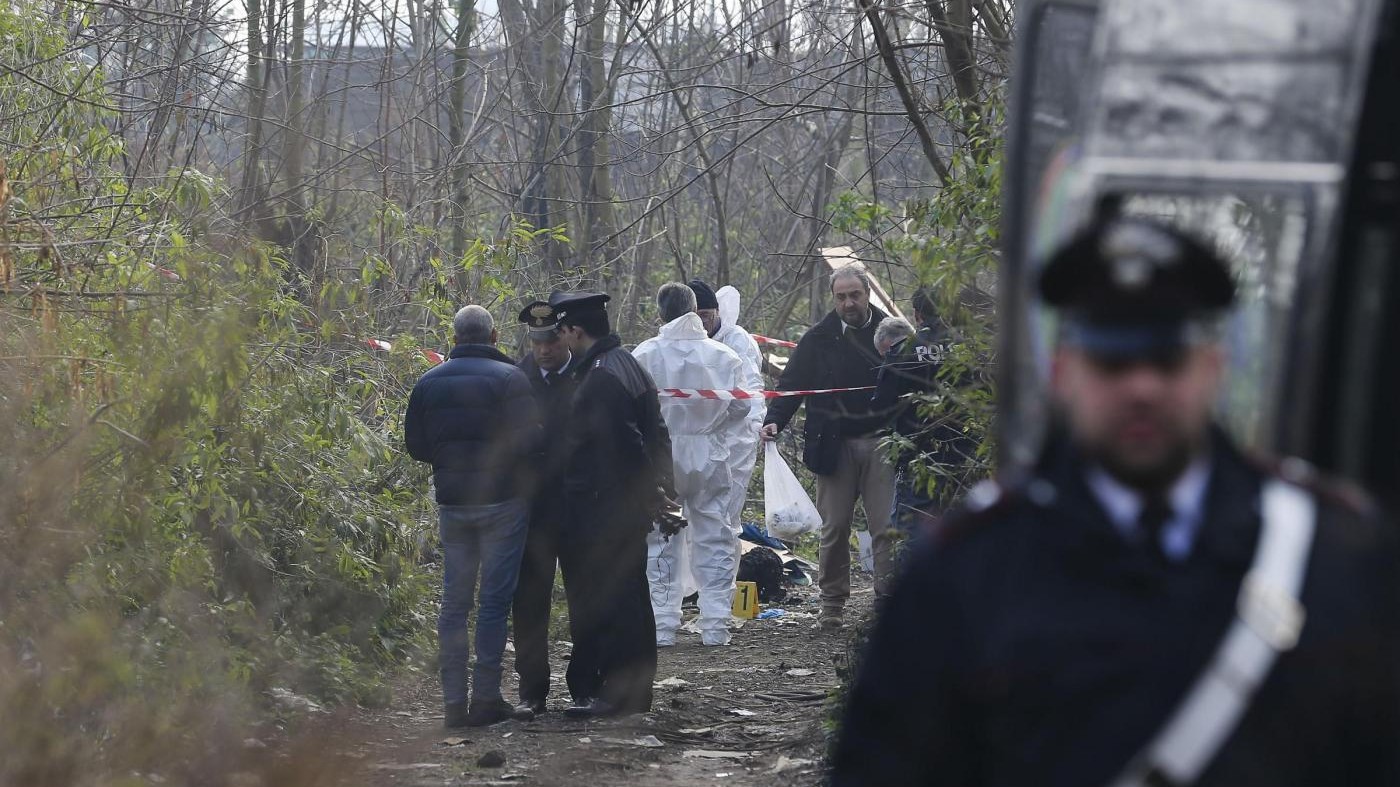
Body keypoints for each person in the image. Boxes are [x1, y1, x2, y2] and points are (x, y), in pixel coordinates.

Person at [832, 218, 1400, 786]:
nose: (1142, 388)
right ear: (1063, 375)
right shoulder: (967, 568)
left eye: (1167, 360)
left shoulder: (1328, 552)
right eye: (1113, 362)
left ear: (1213, 369)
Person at [404, 305, 541, 728]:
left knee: (454, 603)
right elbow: (530, 441)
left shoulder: (428, 382)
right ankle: (485, 697)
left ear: (455, 336)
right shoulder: (511, 379)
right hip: (503, 504)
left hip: (453, 504)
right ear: (494, 336)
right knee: (494, 602)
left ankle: (451, 704)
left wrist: (450, 462)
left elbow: (416, 445)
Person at [551, 290, 675, 719]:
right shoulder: (625, 365)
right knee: (630, 598)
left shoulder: (603, 377)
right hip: (617, 505)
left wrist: (651, 494)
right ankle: (629, 692)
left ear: (573, 330)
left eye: (561, 331)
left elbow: (627, 445)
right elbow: (658, 433)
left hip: (607, 507)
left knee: (619, 601)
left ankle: (621, 695)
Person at [760, 262, 893, 630]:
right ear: (833, 299)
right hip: (833, 444)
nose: (849, 303)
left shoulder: (891, 333)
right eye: (841, 297)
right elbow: (792, 383)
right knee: (834, 527)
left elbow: (913, 381)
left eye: (855, 295)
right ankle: (832, 606)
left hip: (883, 441)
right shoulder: (818, 337)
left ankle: (888, 602)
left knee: (885, 527)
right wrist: (774, 418)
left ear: (868, 294)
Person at [634, 283, 748, 646]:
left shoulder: (645, 355)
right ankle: (715, 623)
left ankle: (663, 623)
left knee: (660, 536)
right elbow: (742, 408)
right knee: (714, 534)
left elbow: (631, 408)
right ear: (695, 309)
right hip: (709, 450)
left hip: (661, 454)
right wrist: (712, 426)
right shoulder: (724, 355)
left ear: (661, 313)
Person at [510, 299, 576, 716]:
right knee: (530, 600)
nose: (544, 349)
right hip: (531, 506)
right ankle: (532, 689)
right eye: (536, 341)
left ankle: (585, 684)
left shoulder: (587, 375)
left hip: (575, 504)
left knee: (583, 596)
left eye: (550, 339)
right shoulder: (516, 378)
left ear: (565, 336)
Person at [869, 288, 968, 546]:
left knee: (911, 529)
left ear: (916, 314)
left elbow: (881, 405)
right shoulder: (970, 348)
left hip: (918, 456)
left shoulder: (904, 350)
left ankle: (916, 585)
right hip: (966, 454)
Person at [695, 281, 765, 543]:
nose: (702, 323)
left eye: (707, 316)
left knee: (725, 514)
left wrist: (755, 425)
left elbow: (751, 389)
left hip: (737, 436)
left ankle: (722, 580)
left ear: (717, 313)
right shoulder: (687, 342)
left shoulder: (736, 340)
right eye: (696, 316)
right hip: (700, 439)